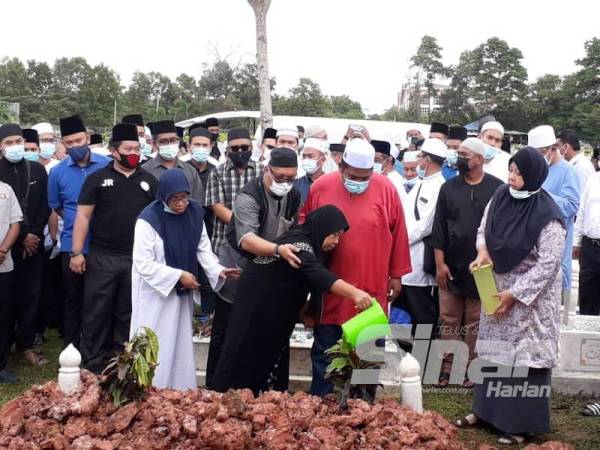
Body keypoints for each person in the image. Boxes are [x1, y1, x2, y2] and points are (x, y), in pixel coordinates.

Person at [460, 147, 565, 445]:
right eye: (511, 170)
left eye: (519, 173)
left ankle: (518, 424)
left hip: (529, 302)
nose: (512, 177)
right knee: (493, 351)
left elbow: (548, 264)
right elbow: (484, 228)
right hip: (497, 288)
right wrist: (482, 251)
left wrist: (514, 294)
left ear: (533, 175)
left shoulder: (549, 214)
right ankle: (485, 412)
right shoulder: (501, 197)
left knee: (523, 360)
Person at [212, 205, 372, 395]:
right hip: (257, 307)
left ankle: (260, 401)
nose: (336, 241)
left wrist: (305, 310)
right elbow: (319, 275)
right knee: (245, 353)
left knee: (269, 355)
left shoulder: (308, 243)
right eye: (334, 235)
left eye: (340, 236)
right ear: (322, 227)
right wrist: (355, 293)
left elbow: (306, 281)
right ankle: (230, 400)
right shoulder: (300, 245)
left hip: (272, 310)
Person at [300, 137, 412, 395]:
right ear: (341, 167)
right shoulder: (321, 187)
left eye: (365, 177)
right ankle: (323, 405)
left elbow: (399, 232)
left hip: (371, 283)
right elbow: (305, 228)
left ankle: (363, 407)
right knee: (326, 352)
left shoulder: (386, 189)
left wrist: (397, 275)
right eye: (354, 176)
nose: (359, 183)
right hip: (330, 286)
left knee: (368, 354)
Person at [130, 169, 238, 389]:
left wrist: (217, 270)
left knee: (178, 342)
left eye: (184, 197)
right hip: (155, 293)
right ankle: (151, 388)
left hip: (181, 292)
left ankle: (179, 390)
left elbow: (202, 248)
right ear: (163, 197)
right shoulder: (148, 220)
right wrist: (178, 275)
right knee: (155, 339)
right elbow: (143, 263)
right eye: (175, 199)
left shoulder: (194, 212)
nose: (181, 203)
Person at [206, 147, 302, 389]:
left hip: (268, 268)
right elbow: (247, 239)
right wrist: (278, 250)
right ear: (267, 170)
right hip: (238, 266)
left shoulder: (293, 195)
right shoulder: (248, 196)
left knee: (260, 327)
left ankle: (259, 386)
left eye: (291, 178)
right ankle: (215, 387)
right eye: (280, 177)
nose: (285, 183)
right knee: (227, 330)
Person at [69, 123, 158, 373]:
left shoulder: (150, 182)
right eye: (128, 148)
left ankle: (123, 362)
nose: (134, 153)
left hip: (136, 258)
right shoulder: (97, 180)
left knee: (127, 311)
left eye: (137, 148)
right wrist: (76, 253)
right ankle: (92, 362)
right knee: (96, 310)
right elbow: (83, 217)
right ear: (114, 151)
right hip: (102, 256)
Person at [431, 137, 503, 388]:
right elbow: (438, 228)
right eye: (457, 153)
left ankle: (471, 369)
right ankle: (447, 368)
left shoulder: (497, 189)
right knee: (448, 319)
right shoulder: (448, 188)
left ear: (480, 159)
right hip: (451, 266)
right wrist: (440, 264)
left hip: (482, 268)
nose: (458, 158)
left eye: (464, 154)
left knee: (475, 321)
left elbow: (500, 230)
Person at [48, 114, 111, 348]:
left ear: (87, 137)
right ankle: (71, 348)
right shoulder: (57, 173)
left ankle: (97, 348)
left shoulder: (106, 165)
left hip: (103, 244)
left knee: (100, 299)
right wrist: (78, 222)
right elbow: (58, 207)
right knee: (73, 298)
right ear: (63, 144)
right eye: (69, 143)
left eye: (78, 140)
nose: (75, 146)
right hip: (72, 245)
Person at [0, 124, 51, 366]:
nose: (14, 147)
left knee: (31, 295)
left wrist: (32, 235)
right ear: (1, 146)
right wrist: (20, 238)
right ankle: (5, 343)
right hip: (6, 247)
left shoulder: (38, 170)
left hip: (34, 245)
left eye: (17, 141)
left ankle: (27, 345)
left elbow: (45, 206)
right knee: (5, 298)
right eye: (8, 142)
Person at [398, 138, 447, 341]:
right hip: (405, 262)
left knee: (422, 321)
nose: (418, 161)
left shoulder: (439, 187)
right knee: (402, 321)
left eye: (420, 157)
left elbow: (425, 225)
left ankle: (425, 366)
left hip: (419, 265)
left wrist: (400, 241)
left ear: (426, 159)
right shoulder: (420, 183)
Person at [528, 125, 580, 307]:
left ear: (553, 148)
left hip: (556, 242)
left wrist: (542, 194)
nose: (539, 157)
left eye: (541, 152)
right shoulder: (535, 168)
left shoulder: (567, 171)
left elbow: (571, 206)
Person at [205, 128, 263, 255]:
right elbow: (217, 207)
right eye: (235, 148)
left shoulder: (263, 171)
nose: (240, 151)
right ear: (228, 150)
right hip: (224, 241)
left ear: (251, 147)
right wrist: (246, 224)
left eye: (244, 147)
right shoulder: (217, 173)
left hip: (257, 243)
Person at [186, 126, 218, 318]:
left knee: (208, 276)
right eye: (196, 144)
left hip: (211, 231)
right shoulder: (183, 169)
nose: (200, 148)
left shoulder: (216, 171)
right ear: (189, 146)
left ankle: (206, 318)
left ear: (211, 146)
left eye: (204, 145)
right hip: (186, 230)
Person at [143, 120, 205, 204]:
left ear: (178, 141)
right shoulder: (145, 171)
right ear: (154, 144)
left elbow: (198, 202)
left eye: (173, 140)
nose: (169, 144)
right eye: (163, 141)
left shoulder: (190, 171)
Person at [0, 182, 22, 383]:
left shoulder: (6, 189)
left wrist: (3, 250)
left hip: (3, 264)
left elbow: (15, 223)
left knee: (3, 315)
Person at [573, 169, 600, 315]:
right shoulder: (592, 180)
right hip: (591, 245)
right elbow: (581, 211)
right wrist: (576, 242)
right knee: (587, 290)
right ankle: (586, 327)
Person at [294, 138, 327, 202]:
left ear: (322, 160)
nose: (306, 159)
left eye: (310, 156)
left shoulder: (329, 183)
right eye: (304, 156)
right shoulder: (296, 184)